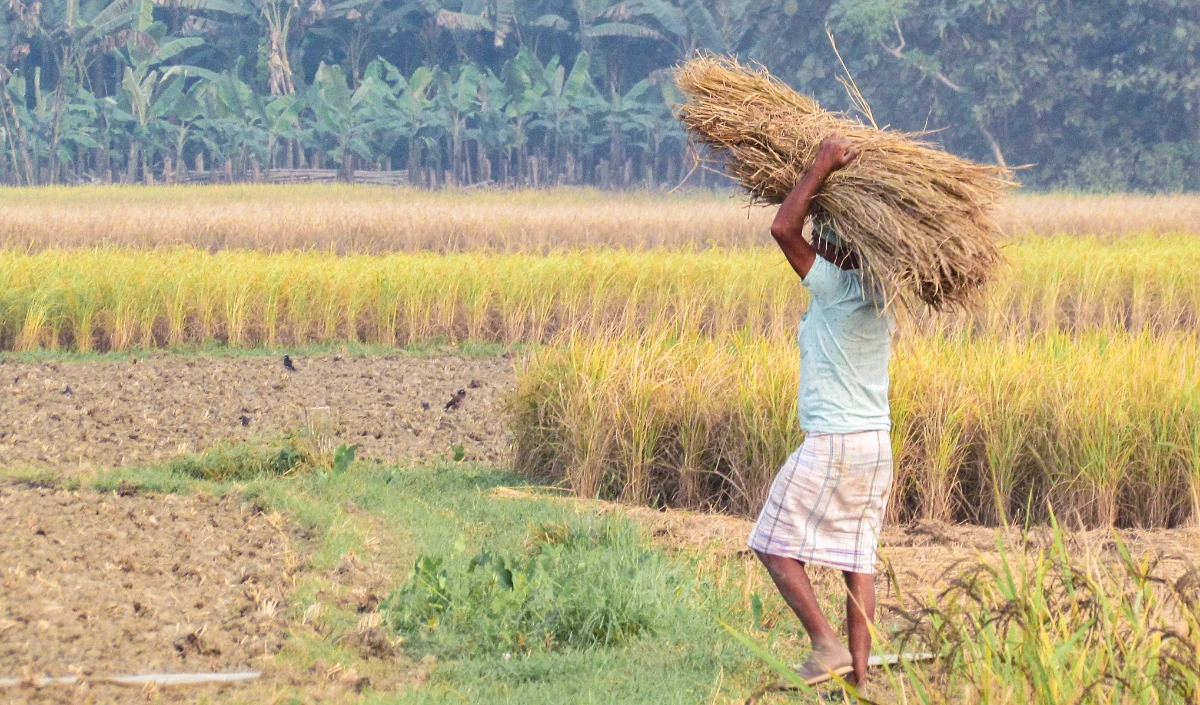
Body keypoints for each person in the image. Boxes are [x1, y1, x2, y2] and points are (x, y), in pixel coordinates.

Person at [748, 134, 894, 689]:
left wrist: (819, 166)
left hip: (833, 441)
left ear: (841, 249)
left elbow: (782, 228)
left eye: (824, 238)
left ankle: (825, 644)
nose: (815, 243)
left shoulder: (835, 285)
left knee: (772, 542)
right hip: (875, 444)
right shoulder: (882, 291)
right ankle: (859, 678)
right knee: (858, 557)